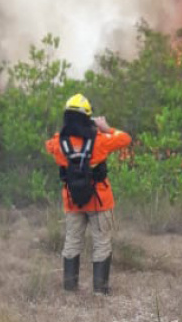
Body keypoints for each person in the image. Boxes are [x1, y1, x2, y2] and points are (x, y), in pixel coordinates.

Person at [45, 94, 131, 294]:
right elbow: (125, 139)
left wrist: (65, 134)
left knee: (72, 240)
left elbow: (48, 145)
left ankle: (70, 288)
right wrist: (106, 127)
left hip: (72, 201)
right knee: (101, 242)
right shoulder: (100, 140)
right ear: (87, 118)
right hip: (100, 201)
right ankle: (100, 291)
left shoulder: (58, 144)